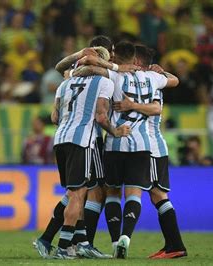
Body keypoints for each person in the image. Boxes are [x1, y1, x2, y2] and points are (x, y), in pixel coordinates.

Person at [48, 48, 130, 259]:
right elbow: (101, 116)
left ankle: (78, 242)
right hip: (82, 141)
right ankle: (64, 246)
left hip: (60, 140)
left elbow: (54, 117)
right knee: (78, 194)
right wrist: (116, 131)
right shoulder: (104, 83)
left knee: (75, 192)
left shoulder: (66, 83)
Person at [112, 45, 187, 259]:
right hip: (150, 145)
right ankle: (172, 244)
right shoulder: (150, 79)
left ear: (136, 62)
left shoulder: (147, 81)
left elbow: (156, 108)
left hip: (152, 146)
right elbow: (173, 80)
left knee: (158, 195)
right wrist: (162, 72)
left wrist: (131, 105)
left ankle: (175, 245)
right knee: (157, 196)